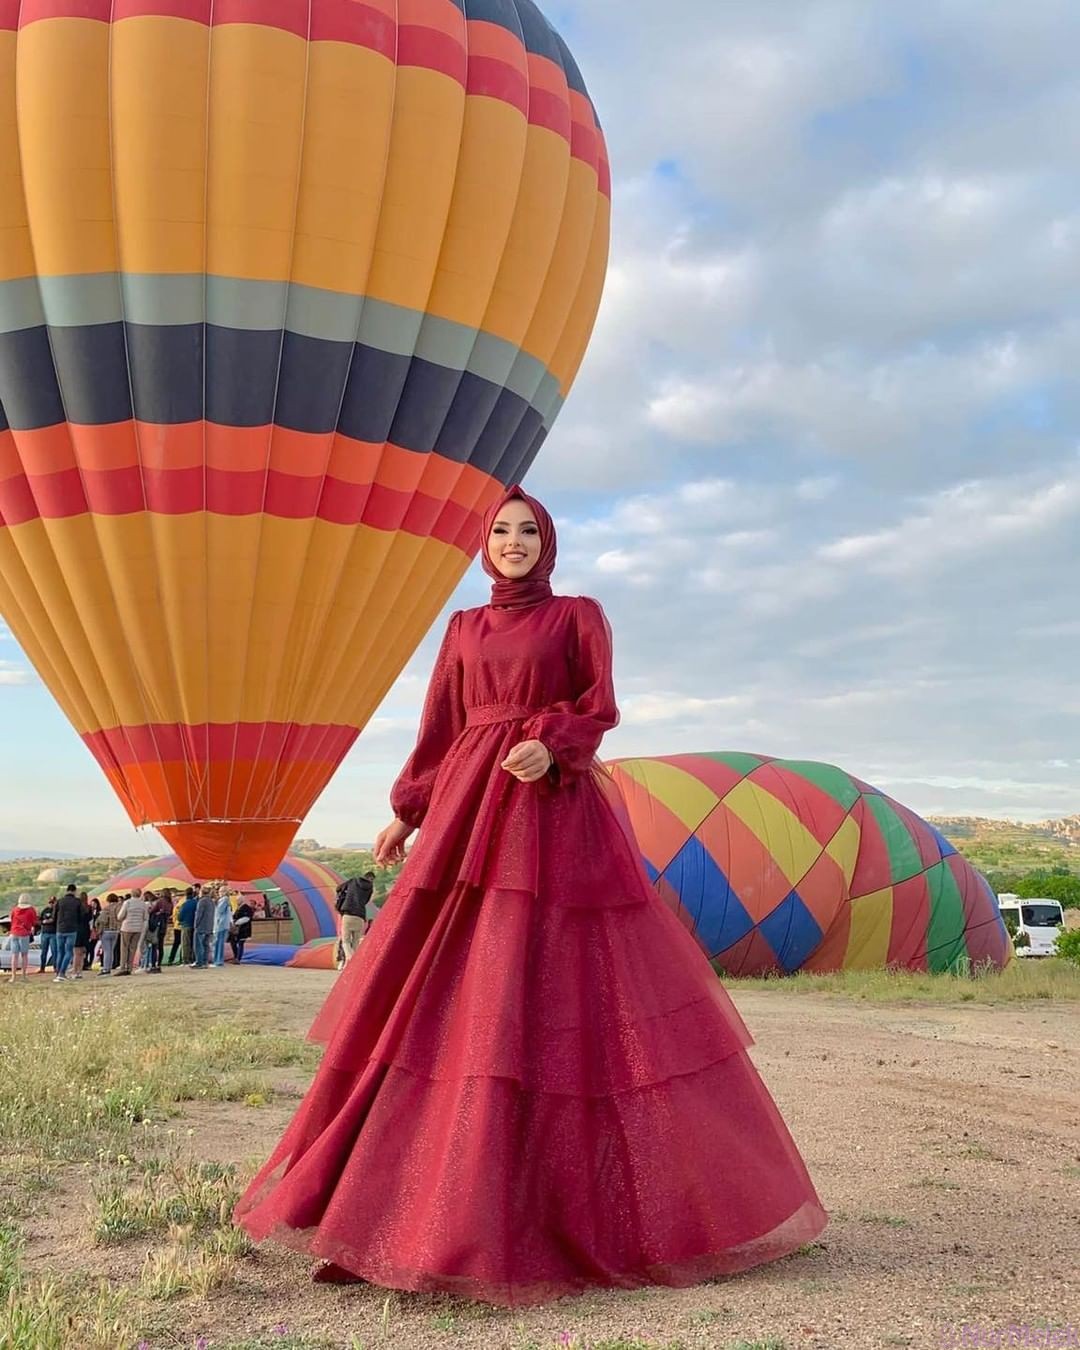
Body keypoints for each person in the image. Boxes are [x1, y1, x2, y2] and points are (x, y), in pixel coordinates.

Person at [233, 485, 828, 1305]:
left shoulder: (578, 614)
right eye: (501, 531)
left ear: (549, 544)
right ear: (484, 546)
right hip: (468, 809)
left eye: (529, 531)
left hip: (549, 809)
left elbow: (599, 706)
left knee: (550, 978)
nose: (514, 542)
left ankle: (560, 1214)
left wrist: (551, 746)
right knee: (447, 987)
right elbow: (441, 725)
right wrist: (409, 811)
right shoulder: (463, 628)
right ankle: (394, 1209)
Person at [334, 872, 373, 963]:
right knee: (355, 943)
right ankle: (353, 965)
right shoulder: (370, 887)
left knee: (346, 942)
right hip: (360, 916)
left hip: (348, 914)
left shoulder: (353, 881)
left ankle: (350, 959)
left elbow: (338, 888)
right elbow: (366, 901)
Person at [115, 888, 148, 976]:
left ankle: (122, 967)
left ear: (132, 894)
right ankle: (129, 967)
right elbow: (145, 917)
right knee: (133, 948)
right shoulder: (143, 904)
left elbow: (120, 916)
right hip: (138, 928)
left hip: (127, 927)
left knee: (124, 948)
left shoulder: (127, 903)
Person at [53, 883, 80, 982]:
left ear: (66, 890)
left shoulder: (59, 901)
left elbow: (54, 916)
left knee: (60, 952)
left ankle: (57, 972)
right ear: (74, 891)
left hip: (60, 929)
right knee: (69, 952)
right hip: (72, 929)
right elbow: (81, 915)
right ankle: (62, 973)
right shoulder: (77, 902)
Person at [7, 893, 37, 982]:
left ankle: (13, 976)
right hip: (24, 934)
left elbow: (11, 920)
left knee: (14, 955)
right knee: (24, 955)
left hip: (14, 933)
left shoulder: (14, 909)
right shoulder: (31, 910)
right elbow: (33, 922)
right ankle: (23, 976)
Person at [97, 893, 122, 975]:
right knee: (111, 950)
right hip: (116, 931)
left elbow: (101, 920)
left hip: (106, 931)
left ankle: (106, 969)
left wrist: (98, 930)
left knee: (106, 951)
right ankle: (110, 966)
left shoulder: (106, 909)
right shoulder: (119, 907)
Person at [70, 891, 93, 979]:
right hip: (86, 930)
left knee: (76, 952)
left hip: (77, 930)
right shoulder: (89, 908)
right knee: (83, 952)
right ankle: (80, 972)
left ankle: (74, 971)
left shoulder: (77, 908)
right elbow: (91, 920)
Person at [174, 888, 197, 966]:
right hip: (195, 925)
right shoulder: (196, 903)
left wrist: (180, 920)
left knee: (185, 943)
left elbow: (180, 916)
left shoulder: (185, 904)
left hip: (186, 925)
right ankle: (193, 958)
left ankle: (186, 960)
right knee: (193, 942)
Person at [193, 888, 215, 968]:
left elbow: (199, 914)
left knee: (198, 945)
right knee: (206, 945)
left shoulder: (202, 901)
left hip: (201, 926)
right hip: (209, 926)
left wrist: (195, 925)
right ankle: (205, 962)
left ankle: (199, 962)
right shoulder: (212, 902)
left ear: (201, 893)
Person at [228, 898, 254, 965]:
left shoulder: (246, 908)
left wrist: (236, 922)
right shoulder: (239, 908)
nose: (237, 901)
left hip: (243, 929)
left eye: (238, 900)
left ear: (242, 900)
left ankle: (238, 958)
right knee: (233, 942)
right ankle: (235, 956)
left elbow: (246, 918)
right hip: (237, 928)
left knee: (240, 943)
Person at [212, 890, 233, 967]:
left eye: (221, 891)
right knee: (219, 943)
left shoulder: (224, 899)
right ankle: (218, 960)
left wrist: (215, 902)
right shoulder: (226, 900)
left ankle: (218, 961)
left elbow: (219, 910)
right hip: (223, 924)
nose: (219, 893)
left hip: (221, 925)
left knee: (218, 943)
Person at [37, 896, 58, 974]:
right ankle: (42, 968)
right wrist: (44, 922)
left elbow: (55, 920)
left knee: (54, 951)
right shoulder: (45, 910)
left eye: (53, 902)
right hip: (45, 933)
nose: (51, 904)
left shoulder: (57, 911)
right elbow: (39, 920)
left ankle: (56, 967)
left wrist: (49, 921)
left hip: (53, 933)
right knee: (43, 952)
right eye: (50, 902)